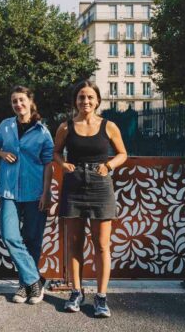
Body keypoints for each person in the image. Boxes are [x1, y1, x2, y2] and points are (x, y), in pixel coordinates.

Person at [53, 80, 127, 317]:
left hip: (100, 184)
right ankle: (76, 292)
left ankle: (101, 297)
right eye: (81, 97)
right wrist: (63, 164)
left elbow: (122, 153)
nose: (85, 101)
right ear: (75, 101)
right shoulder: (66, 127)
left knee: (102, 244)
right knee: (75, 243)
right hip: (74, 184)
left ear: (97, 101)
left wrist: (109, 165)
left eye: (90, 97)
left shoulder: (109, 126)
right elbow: (55, 151)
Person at [0, 86, 53, 304]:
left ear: (30, 102)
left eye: (22, 100)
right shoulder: (6, 126)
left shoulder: (42, 131)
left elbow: (48, 164)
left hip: (35, 192)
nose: (18, 105)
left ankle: (25, 286)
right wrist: (1, 153)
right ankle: (35, 280)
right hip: (8, 190)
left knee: (33, 240)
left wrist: (46, 192)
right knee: (9, 235)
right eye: (14, 101)